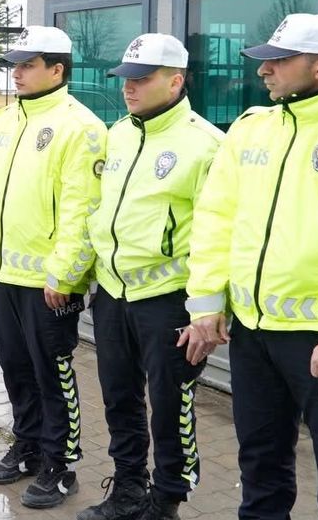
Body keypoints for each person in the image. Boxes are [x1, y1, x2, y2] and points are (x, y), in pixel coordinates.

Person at [183, 13, 318, 519]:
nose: (264, 70)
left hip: (314, 338)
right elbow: (216, 217)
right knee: (260, 465)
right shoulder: (250, 128)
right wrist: (205, 305)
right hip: (252, 333)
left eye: (279, 61)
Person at [79, 34, 223, 520]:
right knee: (119, 399)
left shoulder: (206, 144)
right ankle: (126, 488)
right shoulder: (119, 134)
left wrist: (208, 309)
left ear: (176, 81)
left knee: (170, 406)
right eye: (126, 78)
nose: (129, 88)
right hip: (112, 294)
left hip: (167, 301)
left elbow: (216, 232)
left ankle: (165, 501)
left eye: (141, 79)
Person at [0, 26, 107, 510]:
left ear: (57, 69)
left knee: (53, 373)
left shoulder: (81, 127)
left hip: (48, 284)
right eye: (15, 65)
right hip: (4, 274)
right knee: (15, 368)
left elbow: (82, 208)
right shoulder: (6, 121)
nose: (17, 74)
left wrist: (65, 273)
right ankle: (28, 445)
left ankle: (61, 463)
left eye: (28, 65)